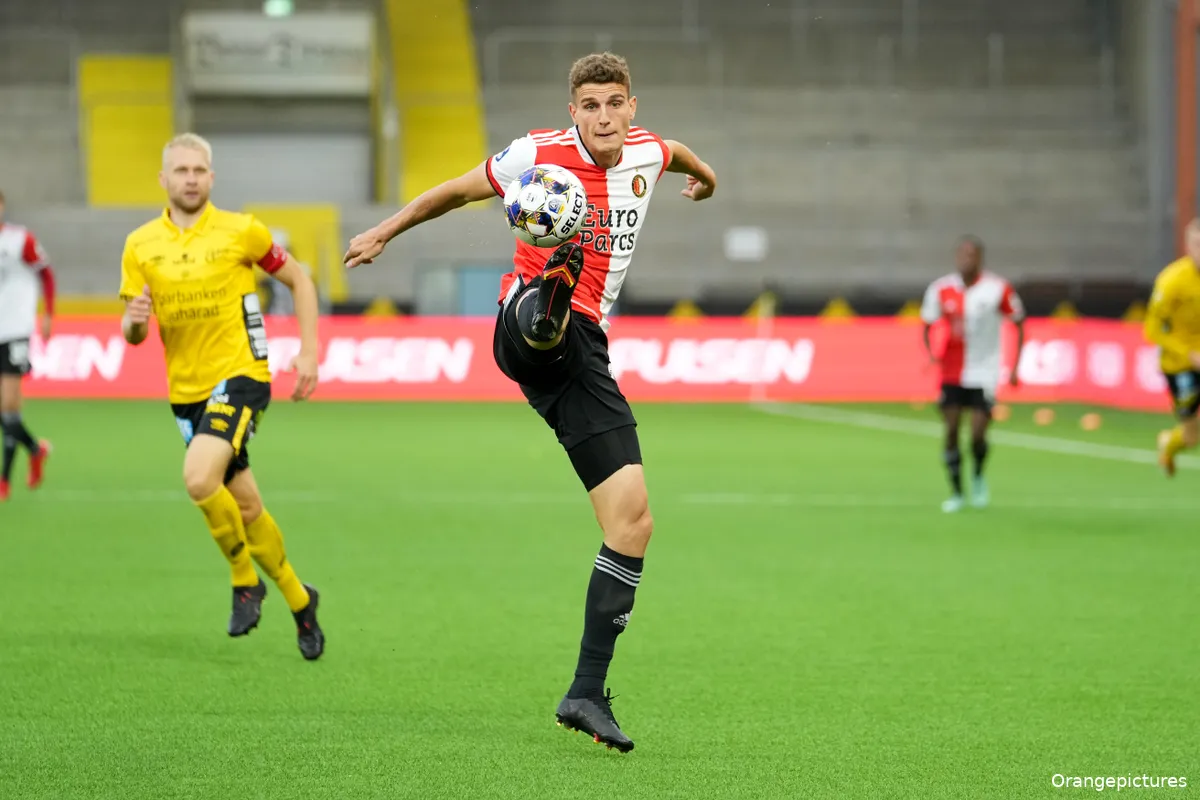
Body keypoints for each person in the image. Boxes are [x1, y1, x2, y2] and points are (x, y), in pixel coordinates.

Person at [344, 52, 717, 752]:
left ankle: (584, 692)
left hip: (586, 359)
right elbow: (455, 192)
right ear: (571, 111)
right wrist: (384, 232)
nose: (604, 117)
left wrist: (707, 181)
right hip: (524, 331)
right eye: (590, 106)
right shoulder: (534, 154)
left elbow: (682, 155)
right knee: (551, 320)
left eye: (615, 103)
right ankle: (549, 291)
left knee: (632, 523)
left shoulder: (647, 151)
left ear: (632, 106)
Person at [119, 133, 326, 659]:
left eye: (198, 170)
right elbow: (134, 332)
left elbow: (300, 280)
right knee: (247, 504)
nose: (190, 178)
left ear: (212, 178)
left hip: (241, 375)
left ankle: (243, 581)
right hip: (186, 393)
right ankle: (302, 603)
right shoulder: (140, 245)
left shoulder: (242, 232)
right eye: (180, 170)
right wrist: (134, 323)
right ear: (163, 180)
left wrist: (308, 352)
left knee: (197, 477)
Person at [920, 235, 1025, 512]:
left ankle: (978, 475)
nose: (967, 260)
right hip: (951, 371)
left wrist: (1014, 366)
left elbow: (1019, 322)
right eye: (963, 255)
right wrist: (931, 355)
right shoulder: (940, 289)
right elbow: (927, 325)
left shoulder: (997, 289)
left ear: (980, 258)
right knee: (952, 429)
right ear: (957, 258)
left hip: (984, 371)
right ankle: (956, 491)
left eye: (972, 255)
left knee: (978, 433)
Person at [0, 189, 55, 502]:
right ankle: (36, 449)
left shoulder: (20, 240)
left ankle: (4, 480)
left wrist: (48, 315)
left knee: (9, 406)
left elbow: (46, 275)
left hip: (15, 331)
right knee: (5, 412)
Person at [1144, 218, 1200, 476]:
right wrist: (1188, 353)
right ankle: (1169, 444)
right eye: (1198, 245)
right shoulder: (1171, 281)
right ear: (1188, 246)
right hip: (1180, 366)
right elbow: (1152, 329)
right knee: (1191, 436)